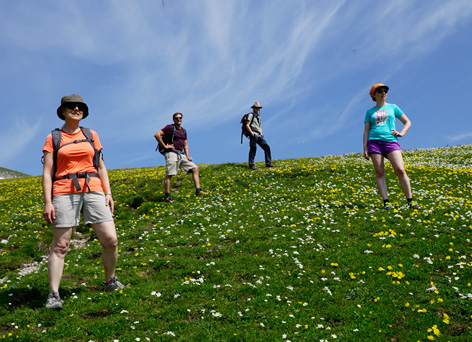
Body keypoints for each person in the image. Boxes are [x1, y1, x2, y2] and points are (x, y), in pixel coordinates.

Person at [42, 94, 124, 310]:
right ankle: (53, 294)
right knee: (61, 245)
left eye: (79, 106)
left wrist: (108, 193)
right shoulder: (54, 137)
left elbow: (101, 166)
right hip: (63, 191)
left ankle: (110, 280)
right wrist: (48, 202)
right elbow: (47, 172)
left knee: (111, 240)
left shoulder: (91, 134)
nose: (76, 108)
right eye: (71, 106)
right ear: (62, 111)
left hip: (94, 189)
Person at [363, 84, 419, 210]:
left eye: (385, 91)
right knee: (379, 172)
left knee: (400, 169)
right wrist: (365, 148)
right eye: (380, 91)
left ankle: (410, 200)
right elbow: (366, 131)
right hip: (374, 142)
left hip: (390, 141)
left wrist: (402, 133)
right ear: (374, 95)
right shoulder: (369, 112)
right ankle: (386, 202)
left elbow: (407, 122)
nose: (383, 93)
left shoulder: (393, 107)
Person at [154, 112, 203, 202]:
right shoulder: (170, 127)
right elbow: (157, 135)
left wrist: (187, 156)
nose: (178, 119)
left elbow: (186, 144)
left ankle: (198, 190)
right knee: (169, 174)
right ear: (173, 120)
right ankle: (167, 197)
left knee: (195, 168)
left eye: (180, 118)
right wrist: (165, 146)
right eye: (176, 118)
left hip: (181, 154)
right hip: (171, 153)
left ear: (182, 119)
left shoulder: (183, 131)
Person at [246, 102, 273, 170]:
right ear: (253, 108)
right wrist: (252, 133)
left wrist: (261, 134)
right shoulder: (250, 115)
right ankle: (251, 165)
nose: (257, 109)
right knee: (253, 149)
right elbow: (247, 125)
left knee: (266, 147)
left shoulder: (258, 117)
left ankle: (268, 163)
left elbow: (259, 126)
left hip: (258, 135)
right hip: (253, 134)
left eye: (258, 108)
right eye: (256, 108)